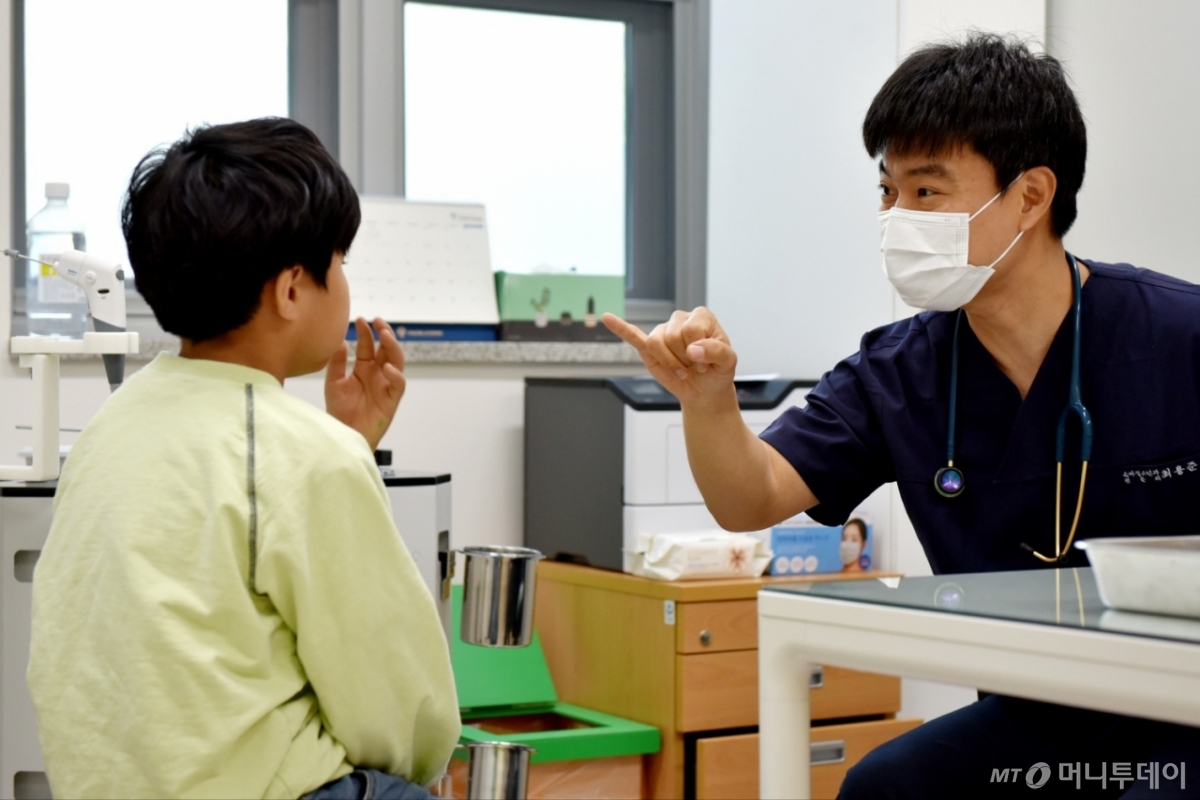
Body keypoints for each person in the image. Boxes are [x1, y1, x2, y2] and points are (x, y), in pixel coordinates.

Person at [605, 34, 1200, 798]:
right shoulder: (900, 370)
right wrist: (707, 399)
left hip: (1184, 709)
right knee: (885, 787)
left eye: (926, 191)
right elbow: (749, 496)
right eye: (887, 192)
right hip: (1040, 718)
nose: (897, 218)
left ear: (1030, 195)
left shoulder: (1177, 337)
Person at [27, 118, 459, 799]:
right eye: (340, 262)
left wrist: (351, 442)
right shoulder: (305, 456)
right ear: (291, 290)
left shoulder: (112, 427)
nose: (345, 283)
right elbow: (400, 708)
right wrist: (427, 770)